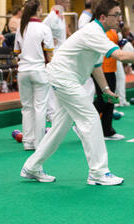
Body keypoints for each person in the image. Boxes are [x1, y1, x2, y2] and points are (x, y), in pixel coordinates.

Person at [20, 0, 134, 186]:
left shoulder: (100, 34)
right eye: (116, 15)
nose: (120, 19)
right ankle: (98, 172)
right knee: (90, 118)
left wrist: (105, 89)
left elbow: (96, 66)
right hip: (63, 78)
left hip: (66, 79)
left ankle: (32, 167)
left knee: (60, 128)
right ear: (103, 17)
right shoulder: (93, 32)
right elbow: (120, 56)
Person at [14, 0, 54, 150]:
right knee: (40, 107)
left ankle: (28, 141)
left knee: (27, 107)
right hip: (39, 70)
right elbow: (49, 53)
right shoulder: (44, 28)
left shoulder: (21, 28)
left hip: (23, 71)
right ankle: (39, 142)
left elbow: (16, 53)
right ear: (39, 9)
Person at [93, 28, 125, 141]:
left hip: (111, 68)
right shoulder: (101, 32)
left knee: (110, 99)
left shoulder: (113, 31)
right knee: (103, 100)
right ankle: (82, 124)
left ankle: (107, 130)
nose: (118, 19)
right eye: (116, 15)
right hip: (102, 69)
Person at [42, 0, 70, 122]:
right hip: (53, 55)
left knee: (59, 83)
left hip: (62, 54)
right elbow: (42, 29)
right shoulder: (52, 16)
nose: (68, 3)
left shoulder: (61, 16)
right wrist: (49, 40)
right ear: (59, 1)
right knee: (51, 83)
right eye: (66, 1)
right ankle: (50, 112)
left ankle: (56, 111)